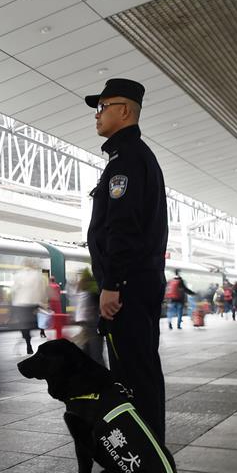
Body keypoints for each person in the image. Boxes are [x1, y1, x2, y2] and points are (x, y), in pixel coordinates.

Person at [84, 77, 168, 444]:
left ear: (123, 110)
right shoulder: (131, 156)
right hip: (138, 283)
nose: (97, 116)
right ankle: (147, 457)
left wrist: (112, 284)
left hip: (128, 287)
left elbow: (122, 227)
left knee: (134, 376)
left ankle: (144, 465)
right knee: (141, 373)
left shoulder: (128, 160)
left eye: (102, 108)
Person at [11, 263, 48, 354]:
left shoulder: (18, 275)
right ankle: (31, 339)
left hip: (19, 304)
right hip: (33, 304)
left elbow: (14, 290)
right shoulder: (38, 275)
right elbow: (42, 290)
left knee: (24, 326)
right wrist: (43, 303)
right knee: (33, 323)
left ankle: (28, 342)